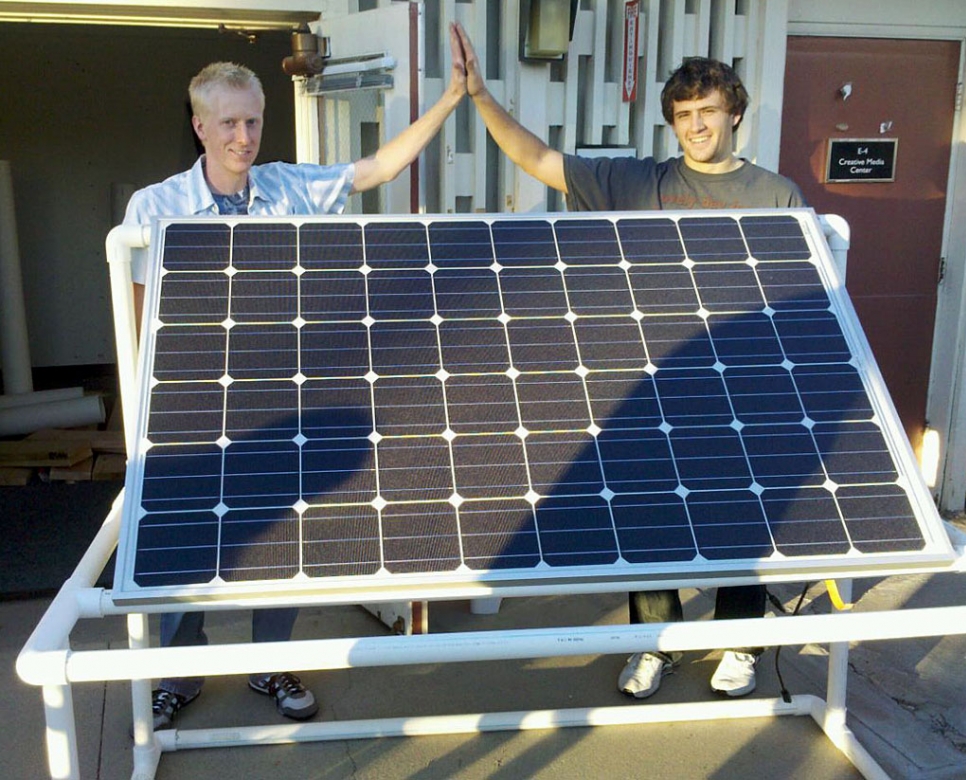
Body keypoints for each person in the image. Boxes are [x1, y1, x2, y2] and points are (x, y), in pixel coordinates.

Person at [124, 23, 468, 730]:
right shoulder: (153, 211)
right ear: (199, 125)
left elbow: (375, 169)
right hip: (191, 414)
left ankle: (269, 664)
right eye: (228, 122)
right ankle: (179, 677)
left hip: (279, 405)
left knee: (277, 543)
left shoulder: (287, 190)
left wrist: (452, 100)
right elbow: (134, 321)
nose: (243, 137)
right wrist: (145, 416)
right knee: (184, 544)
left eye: (252, 121)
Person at [454, 23, 805, 701]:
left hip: (738, 387)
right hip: (651, 384)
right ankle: (658, 642)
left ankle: (739, 643)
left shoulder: (777, 196)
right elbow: (539, 160)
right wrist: (480, 96)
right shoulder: (634, 182)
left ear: (734, 112)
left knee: (741, 517)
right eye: (683, 116)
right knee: (650, 520)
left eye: (708, 112)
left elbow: (797, 297)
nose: (696, 126)